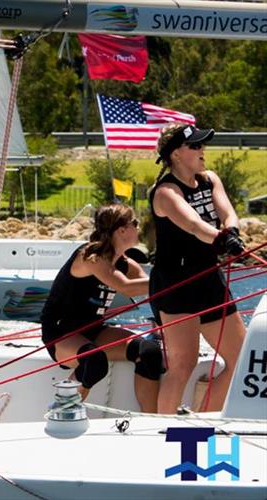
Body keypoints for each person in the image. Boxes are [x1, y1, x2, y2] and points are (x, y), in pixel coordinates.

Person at [149, 123, 246, 414]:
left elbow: (227, 212)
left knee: (241, 358)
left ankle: (207, 419)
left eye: (202, 145)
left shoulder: (210, 179)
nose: (202, 150)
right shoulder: (165, 192)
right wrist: (220, 239)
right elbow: (193, 225)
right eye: (195, 146)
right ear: (176, 154)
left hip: (208, 278)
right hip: (175, 283)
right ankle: (163, 430)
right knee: (183, 364)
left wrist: (232, 232)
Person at [40, 205, 161, 410]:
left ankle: (151, 419)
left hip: (94, 329)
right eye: (135, 224)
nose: (138, 228)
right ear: (121, 230)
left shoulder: (126, 264)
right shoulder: (91, 256)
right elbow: (127, 287)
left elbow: (155, 290)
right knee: (94, 361)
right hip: (61, 332)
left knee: (149, 352)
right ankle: (61, 411)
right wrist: (167, 280)